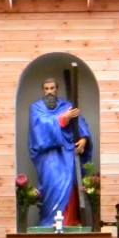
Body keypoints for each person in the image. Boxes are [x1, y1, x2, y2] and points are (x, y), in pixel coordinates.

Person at [28, 77, 92, 227]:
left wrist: (84, 139)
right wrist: (63, 118)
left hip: (67, 153)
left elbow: (80, 122)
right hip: (48, 156)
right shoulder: (36, 108)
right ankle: (50, 221)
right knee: (53, 184)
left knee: (69, 185)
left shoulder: (67, 106)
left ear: (56, 89)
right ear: (43, 90)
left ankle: (70, 221)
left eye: (52, 88)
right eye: (46, 89)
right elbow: (40, 127)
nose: (50, 92)